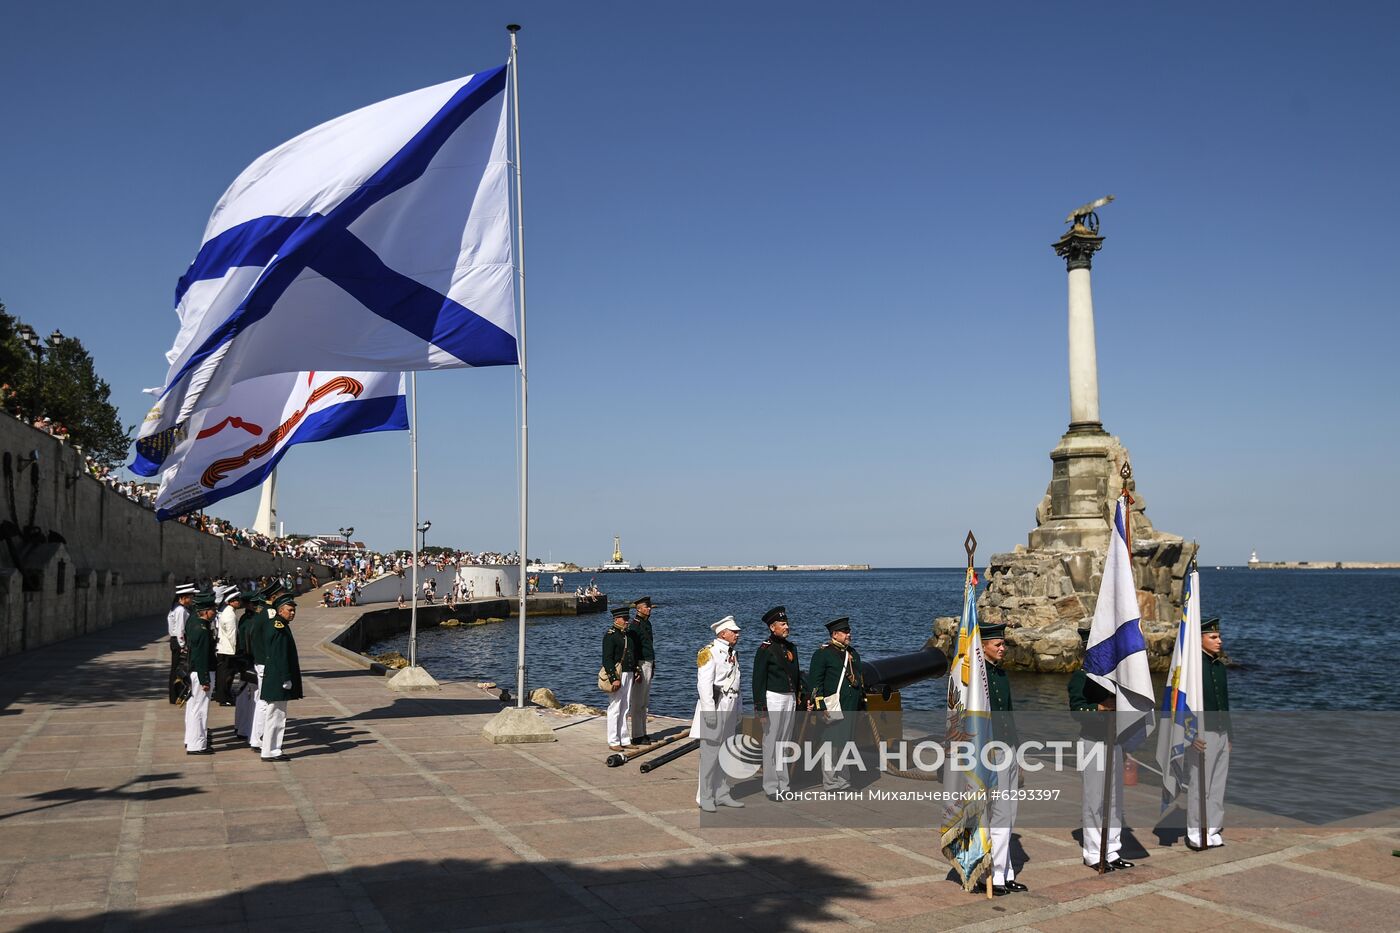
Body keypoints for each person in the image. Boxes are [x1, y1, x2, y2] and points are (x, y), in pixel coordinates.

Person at [1068, 626, 1133, 871]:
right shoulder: (1080, 677)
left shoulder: (1113, 677)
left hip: (1113, 742)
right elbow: (1077, 710)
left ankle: (1112, 849)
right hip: (1093, 742)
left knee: (1115, 799)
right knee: (1095, 799)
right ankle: (1094, 852)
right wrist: (1101, 709)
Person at [980, 623, 1027, 895]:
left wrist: (1018, 752)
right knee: (995, 813)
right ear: (983, 645)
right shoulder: (978, 677)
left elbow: (1008, 714)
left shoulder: (1001, 674)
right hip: (988, 752)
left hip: (1007, 750)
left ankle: (1005, 872)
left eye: (1003, 644)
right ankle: (993, 875)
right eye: (997, 644)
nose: (1002, 648)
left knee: (1008, 814)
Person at [691, 615, 745, 812]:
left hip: (730, 705)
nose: (737, 634)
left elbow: (737, 683)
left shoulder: (732, 653)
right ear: (723, 633)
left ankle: (722, 793)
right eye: (734, 631)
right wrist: (709, 712)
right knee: (710, 754)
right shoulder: (709, 653)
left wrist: (739, 709)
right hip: (716, 705)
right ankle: (704, 796)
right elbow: (704, 685)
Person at [753, 606, 808, 798]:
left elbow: (797, 676)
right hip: (773, 698)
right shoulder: (765, 650)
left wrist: (802, 697)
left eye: (787, 623)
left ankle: (784, 785)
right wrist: (761, 709)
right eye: (783, 624)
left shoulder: (791, 647)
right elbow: (757, 681)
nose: (787, 627)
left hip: (790, 698)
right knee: (771, 743)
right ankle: (770, 787)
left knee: (785, 742)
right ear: (772, 627)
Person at [808, 617, 866, 791]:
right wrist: (820, 706)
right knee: (831, 743)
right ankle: (830, 782)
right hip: (833, 706)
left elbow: (859, 681)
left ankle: (844, 781)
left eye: (849, 631)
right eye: (845, 632)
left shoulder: (853, 653)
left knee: (845, 743)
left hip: (850, 706)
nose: (849, 634)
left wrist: (862, 706)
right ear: (835, 634)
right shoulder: (823, 654)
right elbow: (815, 683)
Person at [1189, 616, 1231, 849]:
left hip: (1221, 732)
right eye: (1213, 637)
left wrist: (1230, 736)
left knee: (1217, 783)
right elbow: (1183, 704)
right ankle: (1195, 830)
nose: (1219, 641)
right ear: (1200, 638)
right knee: (1199, 784)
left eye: (1219, 636)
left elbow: (1225, 703)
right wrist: (1190, 734)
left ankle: (1213, 827)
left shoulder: (1219, 667)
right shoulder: (1193, 669)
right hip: (1202, 732)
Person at [259, 594, 303, 762]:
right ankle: (271, 750)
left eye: (294, 610)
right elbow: (279, 655)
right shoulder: (278, 626)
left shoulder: (280, 624)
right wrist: (286, 677)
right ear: (280, 610)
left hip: (276, 676)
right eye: (290, 610)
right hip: (278, 677)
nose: (292, 613)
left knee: (276, 715)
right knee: (276, 715)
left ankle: (271, 749)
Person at [183, 590, 218, 755]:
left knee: (193, 707)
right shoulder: (203, 630)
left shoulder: (193, 621)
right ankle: (197, 744)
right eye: (213, 609)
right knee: (200, 709)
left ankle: (191, 739)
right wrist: (205, 680)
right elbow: (203, 656)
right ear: (205, 611)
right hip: (201, 672)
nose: (215, 612)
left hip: (194, 671)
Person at [602, 605, 638, 751]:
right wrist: (613, 678)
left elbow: (631, 655)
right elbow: (607, 659)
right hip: (618, 674)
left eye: (627, 618)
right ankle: (613, 740)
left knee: (625, 707)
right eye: (624, 619)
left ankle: (624, 737)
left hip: (628, 673)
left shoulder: (627, 635)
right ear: (616, 619)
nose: (627, 621)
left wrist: (635, 671)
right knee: (615, 707)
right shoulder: (610, 636)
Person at [233, 589, 262, 740]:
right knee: (251, 698)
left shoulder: (245, 618)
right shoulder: (252, 620)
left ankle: (240, 726)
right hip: (250, 661)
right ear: (250, 605)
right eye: (256, 604)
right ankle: (246, 729)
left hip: (243, 660)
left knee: (243, 695)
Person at [630, 596, 656, 743]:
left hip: (648, 662)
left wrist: (653, 665)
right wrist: (636, 670)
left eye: (649, 606)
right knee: (637, 701)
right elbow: (633, 650)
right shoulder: (635, 625)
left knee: (644, 702)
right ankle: (636, 735)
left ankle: (643, 732)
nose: (649, 608)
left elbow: (649, 646)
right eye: (646, 607)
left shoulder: (647, 624)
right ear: (639, 609)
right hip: (640, 663)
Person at [214, 585, 243, 706]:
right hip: (228, 650)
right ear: (231, 601)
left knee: (223, 674)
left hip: (223, 648)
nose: (239, 602)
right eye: (236, 600)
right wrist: (237, 650)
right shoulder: (230, 615)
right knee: (226, 675)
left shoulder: (226, 611)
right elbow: (232, 635)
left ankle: (222, 695)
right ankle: (224, 697)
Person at [167, 583, 195, 703]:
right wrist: (183, 645)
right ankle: (176, 694)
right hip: (178, 642)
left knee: (177, 669)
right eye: (190, 597)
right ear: (184, 597)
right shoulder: (180, 610)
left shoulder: (176, 608)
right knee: (178, 669)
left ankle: (177, 693)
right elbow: (180, 629)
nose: (192, 599)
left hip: (175, 641)